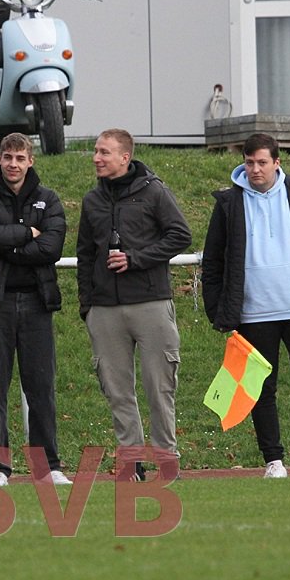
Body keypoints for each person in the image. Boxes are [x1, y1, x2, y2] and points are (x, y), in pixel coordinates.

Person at [201, 132, 290, 478]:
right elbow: (213, 262)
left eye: (262, 162)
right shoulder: (228, 203)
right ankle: (274, 461)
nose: (255, 169)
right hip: (253, 314)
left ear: (277, 163)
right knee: (262, 389)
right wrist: (220, 311)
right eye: (249, 162)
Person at [76, 128, 192, 481]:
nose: (96, 158)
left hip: (151, 303)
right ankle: (132, 463)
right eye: (96, 151)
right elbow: (85, 254)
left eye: (104, 152)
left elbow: (180, 235)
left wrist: (136, 259)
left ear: (124, 157)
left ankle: (167, 460)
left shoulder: (154, 191)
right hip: (105, 309)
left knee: (159, 387)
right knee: (117, 392)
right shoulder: (92, 200)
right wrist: (88, 306)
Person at [0, 133, 71, 487]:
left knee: (41, 386)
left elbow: (51, 248)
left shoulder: (48, 199)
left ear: (31, 161)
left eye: (20, 158)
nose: (13, 164)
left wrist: (5, 238)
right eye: (7, 157)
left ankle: (47, 466)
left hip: (37, 303)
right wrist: (28, 233)